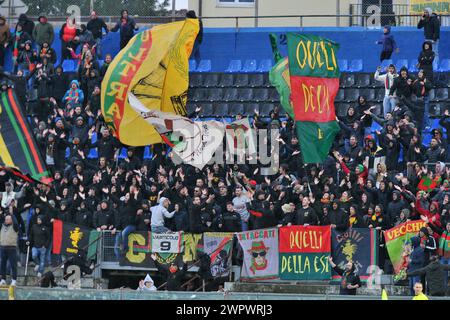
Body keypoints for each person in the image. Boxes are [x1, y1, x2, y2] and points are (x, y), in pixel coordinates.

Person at [0, 215, 19, 286]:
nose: (6, 220)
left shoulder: (15, 227)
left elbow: (16, 223)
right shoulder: (2, 226)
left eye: (8, 219)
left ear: (11, 220)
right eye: (5, 219)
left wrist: (12, 215)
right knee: (2, 265)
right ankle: (3, 279)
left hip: (12, 248)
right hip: (2, 248)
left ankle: (14, 280)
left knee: (13, 265)